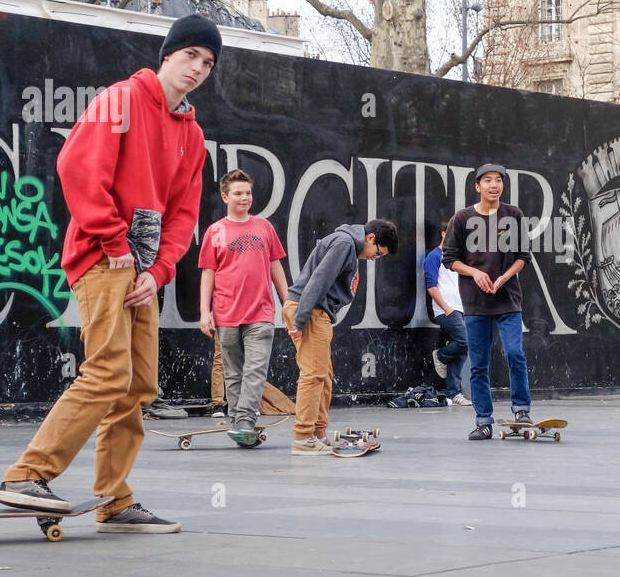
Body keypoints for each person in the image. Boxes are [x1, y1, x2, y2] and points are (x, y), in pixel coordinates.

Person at [0, 13, 220, 532]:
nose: (198, 69)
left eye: (207, 63)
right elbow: (77, 168)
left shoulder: (193, 135)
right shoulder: (121, 100)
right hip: (102, 258)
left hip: (143, 273)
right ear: (168, 54)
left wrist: (160, 270)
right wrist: (113, 241)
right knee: (108, 371)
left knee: (139, 383)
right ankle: (25, 474)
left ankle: (113, 500)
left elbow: (183, 214)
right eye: (190, 56)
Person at [282, 219, 398, 454]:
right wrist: (301, 318)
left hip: (315, 311)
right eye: (377, 253)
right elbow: (319, 280)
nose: (373, 258)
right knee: (314, 375)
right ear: (371, 238)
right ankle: (303, 438)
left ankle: (317, 434)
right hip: (311, 310)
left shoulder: (347, 243)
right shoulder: (345, 243)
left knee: (324, 376)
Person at [441, 163, 534, 440]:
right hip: (475, 303)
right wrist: (475, 273)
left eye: (499, 180)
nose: (494, 185)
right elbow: (450, 259)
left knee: (515, 354)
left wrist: (504, 277)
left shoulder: (513, 215)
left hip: (508, 300)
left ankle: (521, 410)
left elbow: (523, 257)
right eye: (488, 180)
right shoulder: (462, 219)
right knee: (479, 364)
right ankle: (483, 420)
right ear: (477, 186)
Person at [198, 169, 289, 446]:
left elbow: (276, 265)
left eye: (248, 192)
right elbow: (208, 273)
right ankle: (241, 427)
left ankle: (245, 420)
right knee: (233, 371)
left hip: (260, 312)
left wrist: (288, 303)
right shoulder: (215, 231)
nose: (245, 197)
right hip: (226, 313)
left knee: (255, 368)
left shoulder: (265, 228)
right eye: (238, 193)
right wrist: (205, 312)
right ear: (225, 196)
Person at [424, 219, 469, 406]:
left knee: (462, 351)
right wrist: (447, 308)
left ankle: (453, 393)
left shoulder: (458, 259)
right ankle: (440, 355)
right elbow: (431, 287)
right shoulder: (434, 257)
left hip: (461, 309)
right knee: (464, 342)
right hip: (446, 310)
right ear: (443, 233)